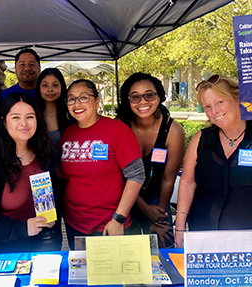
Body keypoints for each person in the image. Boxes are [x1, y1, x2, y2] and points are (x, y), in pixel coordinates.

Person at [0, 93, 57, 253]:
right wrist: (22, 228)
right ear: (4, 122)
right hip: (1, 250)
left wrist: (50, 216)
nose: (24, 123)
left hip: (41, 247)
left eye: (30, 117)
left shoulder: (45, 153)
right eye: (15, 117)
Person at [60, 79, 145, 250]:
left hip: (108, 225)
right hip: (74, 224)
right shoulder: (69, 133)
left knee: (110, 275)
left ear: (97, 101)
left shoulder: (118, 130)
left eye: (83, 97)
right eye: (71, 99)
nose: (77, 103)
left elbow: (136, 176)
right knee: (82, 275)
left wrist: (118, 218)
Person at [175, 75, 252, 248]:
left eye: (219, 102)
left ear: (237, 98)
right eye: (207, 107)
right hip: (204, 236)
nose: (214, 111)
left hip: (246, 240)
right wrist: (179, 227)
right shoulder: (201, 139)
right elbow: (187, 183)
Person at [117, 72, 185, 248]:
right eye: (135, 97)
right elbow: (119, 176)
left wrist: (159, 217)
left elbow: (168, 179)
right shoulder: (120, 126)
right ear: (128, 100)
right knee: (127, 253)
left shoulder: (173, 131)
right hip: (125, 196)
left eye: (149, 95)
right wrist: (144, 209)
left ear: (159, 96)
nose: (143, 102)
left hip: (157, 196)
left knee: (162, 247)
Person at [35, 68, 74, 250]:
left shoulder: (71, 114)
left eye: (55, 85)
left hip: (70, 180)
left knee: (75, 225)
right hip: (42, 184)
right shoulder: (33, 114)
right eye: (45, 85)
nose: (50, 89)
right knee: (50, 233)